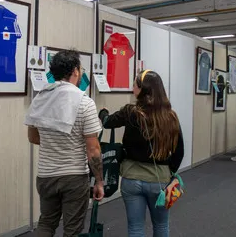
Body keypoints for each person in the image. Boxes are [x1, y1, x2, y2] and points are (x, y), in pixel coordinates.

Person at [25, 49, 104, 237]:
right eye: (81, 69)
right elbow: (93, 150)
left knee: (46, 223)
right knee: (72, 230)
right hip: (73, 177)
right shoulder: (84, 102)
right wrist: (99, 181)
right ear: (75, 71)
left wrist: (55, 142)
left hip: (45, 175)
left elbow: (33, 137)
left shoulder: (40, 98)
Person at [99, 70, 184, 237]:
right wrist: (170, 172)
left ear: (142, 89)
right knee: (161, 226)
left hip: (131, 179)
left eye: (134, 85)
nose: (132, 88)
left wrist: (103, 113)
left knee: (136, 228)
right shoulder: (170, 117)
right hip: (159, 182)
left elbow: (108, 123)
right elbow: (179, 151)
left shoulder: (131, 113)